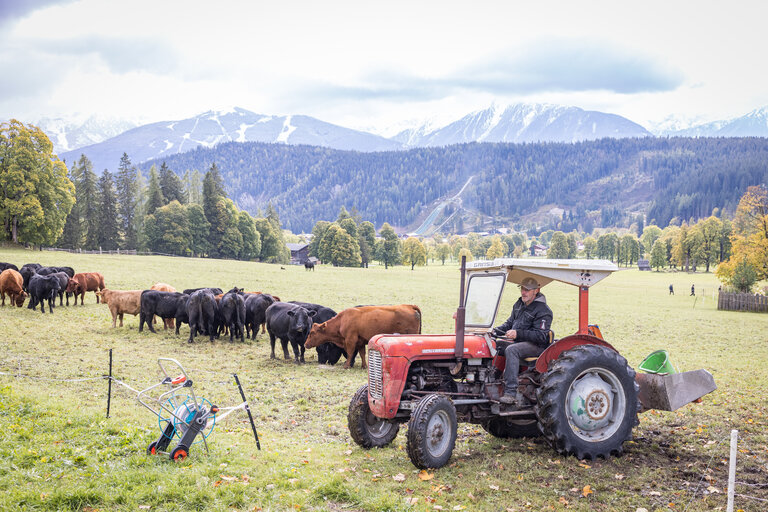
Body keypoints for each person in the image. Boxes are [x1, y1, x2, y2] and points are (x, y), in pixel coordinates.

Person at [492, 276, 553, 406]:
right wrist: (494, 332)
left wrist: (518, 333)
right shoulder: (519, 304)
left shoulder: (544, 311)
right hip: (520, 342)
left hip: (537, 346)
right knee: (494, 344)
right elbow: (509, 323)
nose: (523, 292)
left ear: (536, 291)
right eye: (522, 289)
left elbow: (541, 336)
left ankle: (510, 392)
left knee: (512, 350)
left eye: (527, 290)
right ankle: (491, 380)